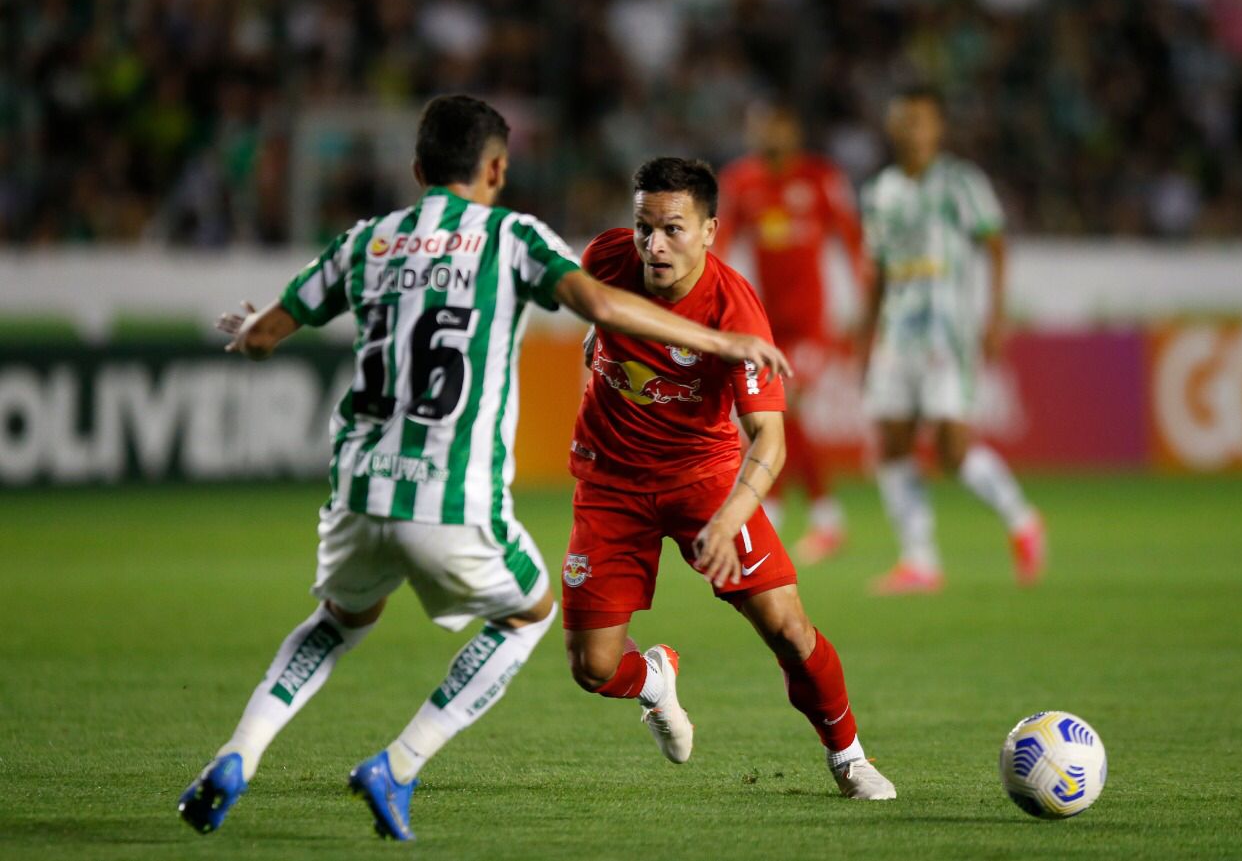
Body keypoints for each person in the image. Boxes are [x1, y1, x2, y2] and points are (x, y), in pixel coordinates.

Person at [177, 95, 791, 841]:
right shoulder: (510, 238)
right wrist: (724, 345)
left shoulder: (368, 239)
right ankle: (400, 763)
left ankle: (237, 754)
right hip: (450, 495)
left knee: (336, 623)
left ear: (416, 168)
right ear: (496, 169)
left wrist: (249, 329)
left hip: (355, 491)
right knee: (530, 616)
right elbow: (599, 303)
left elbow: (268, 330)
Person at [560, 157, 896, 800]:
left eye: (673, 229)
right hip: (609, 484)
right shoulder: (605, 257)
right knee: (593, 667)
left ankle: (849, 756)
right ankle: (655, 680)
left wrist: (728, 518)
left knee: (788, 629)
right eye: (643, 227)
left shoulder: (735, 309)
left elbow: (769, 438)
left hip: (703, 480)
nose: (654, 245)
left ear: (711, 230)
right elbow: (592, 306)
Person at [858, 86, 1045, 595]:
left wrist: (995, 316)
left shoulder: (961, 182)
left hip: (947, 330)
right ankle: (919, 560)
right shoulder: (879, 192)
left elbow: (996, 246)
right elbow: (875, 272)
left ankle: (1021, 519)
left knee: (951, 450)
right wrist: (865, 338)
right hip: (897, 331)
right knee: (893, 441)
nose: (910, 130)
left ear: (938, 128)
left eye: (920, 121)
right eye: (902, 120)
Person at [716, 102, 866, 562]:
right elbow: (719, 243)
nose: (769, 133)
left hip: (811, 325)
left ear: (793, 129)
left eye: (777, 125)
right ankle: (821, 519)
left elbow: (854, 242)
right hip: (765, 326)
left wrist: (865, 306)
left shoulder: (821, 178)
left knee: (784, 411)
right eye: (761, 125)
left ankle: (790, 514)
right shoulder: (741, 182)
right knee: (776, 418)